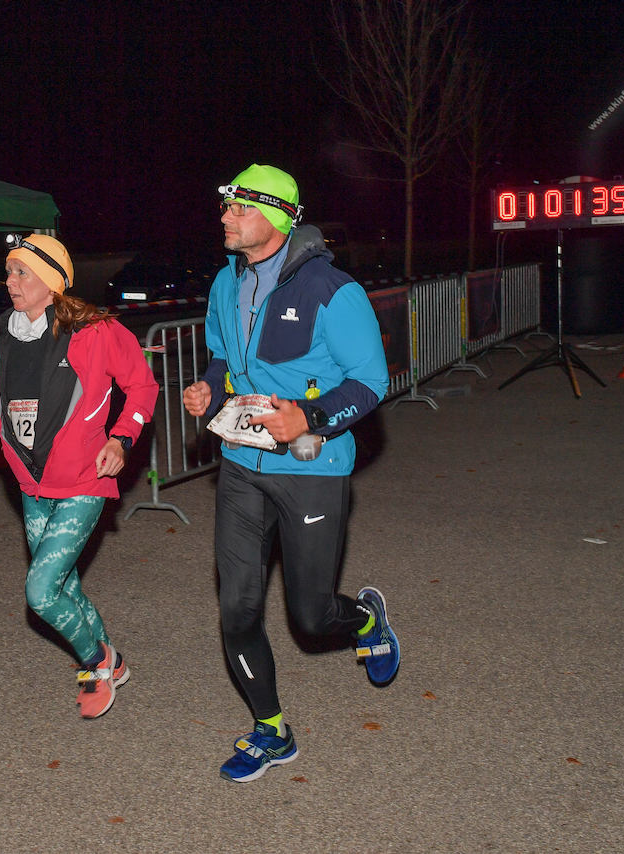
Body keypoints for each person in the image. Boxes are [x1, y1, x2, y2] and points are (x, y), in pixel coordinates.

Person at [182, 164, 399, 783]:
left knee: (310, 617)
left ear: (275, 218)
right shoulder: (226, 283)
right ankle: (270, 730)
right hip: (239, 467)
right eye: (226, 207)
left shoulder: (334, 290)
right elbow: (224, 356)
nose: (225, 218)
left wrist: (308, 415)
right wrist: (207, 386)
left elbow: (372, 383)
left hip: (312, 467)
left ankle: (366, 620)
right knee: (238, 609)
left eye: (238, 209)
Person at [0, 234, 157, 719]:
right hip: (31, 485)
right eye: (9, 271)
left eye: (21, 272)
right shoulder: (4, 333)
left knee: (39, 592)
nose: (10, 280)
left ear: (53, 282)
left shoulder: (96, 332)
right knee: (64, 588)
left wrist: (121, 439)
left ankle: (95, 661)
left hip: (83, 480)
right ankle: (113, 661)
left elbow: (142, 387)